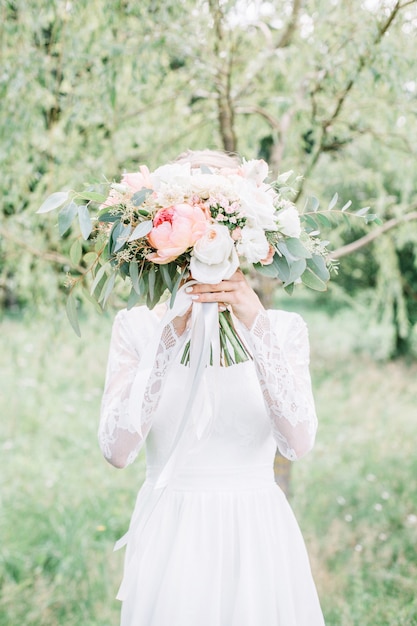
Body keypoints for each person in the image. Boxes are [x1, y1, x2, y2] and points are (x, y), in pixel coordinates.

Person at [98, 151, 325, 626]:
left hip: (257, 534)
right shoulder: (137, 327)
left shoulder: (283, 329)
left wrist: (254, 322)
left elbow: (298, 443)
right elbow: (117, 451)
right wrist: (167, 338)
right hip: (172, 535)